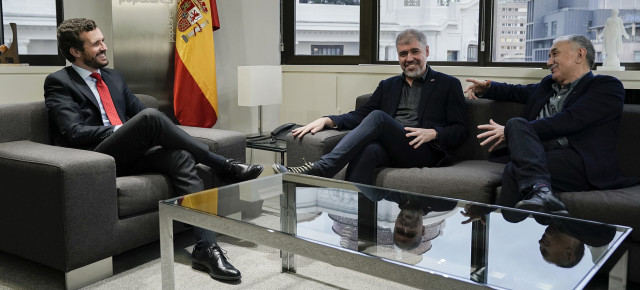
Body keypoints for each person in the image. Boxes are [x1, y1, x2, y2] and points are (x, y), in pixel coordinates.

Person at [44, 18, 263, 281]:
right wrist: (120, 130)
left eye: (103, 40)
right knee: (151, 117)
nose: (104, 47)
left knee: (180, 156)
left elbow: (142, 115)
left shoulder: (114, 77)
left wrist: (149, 133)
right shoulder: (59, 82)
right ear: (75, 52)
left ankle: (206, 247)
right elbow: (73, 132)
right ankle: (221, 163)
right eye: (96, 44)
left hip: (130, 153)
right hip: (94, 159)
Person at [464, 34, 639, 216]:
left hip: (580, 161)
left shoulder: (606, 87)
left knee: (515, 152)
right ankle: (541, 193)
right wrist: (488, 88)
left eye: (554, 54)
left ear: (580, 55)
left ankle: (512, 215)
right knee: (515, 160)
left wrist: (513, 131)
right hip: (539, 155)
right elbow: (517, 91)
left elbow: (571, 119)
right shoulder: (548, 86)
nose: (549, 62)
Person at [272, 29, 468, 185]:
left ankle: (322, 169)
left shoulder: (448, 84)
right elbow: (361, 115)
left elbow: (460, 129)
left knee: (378, 118)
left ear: (426, 51)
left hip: (424, 150)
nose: (409, 58)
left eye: (415, 51)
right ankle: (358, 222)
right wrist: (328, 120)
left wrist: (434, 133)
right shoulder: (388, 85)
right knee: (368, 150)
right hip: (392, 148)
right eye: (403, 54)